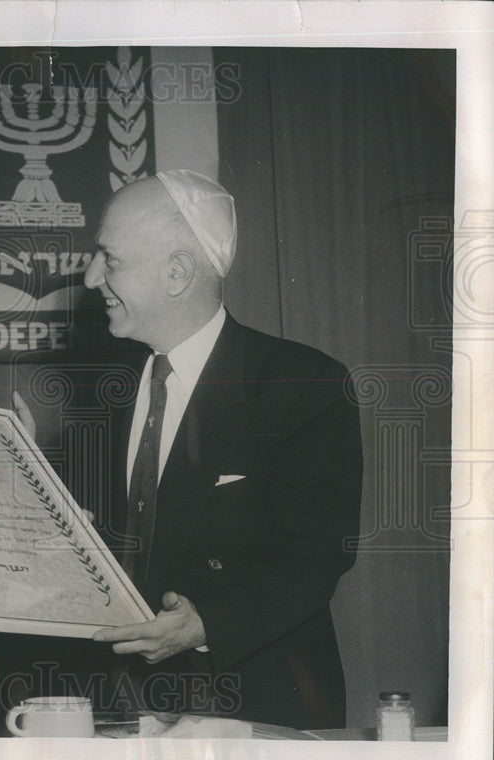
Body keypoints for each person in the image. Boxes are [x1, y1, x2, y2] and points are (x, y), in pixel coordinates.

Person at [64, 170, 362, 730]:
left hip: (251, 714)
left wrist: (205, 624)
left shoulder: (303, 384)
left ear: (176, 273)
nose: (90, 276)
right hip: (116, 715)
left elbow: (317, 554)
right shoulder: (98, 394)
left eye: (111, 259)